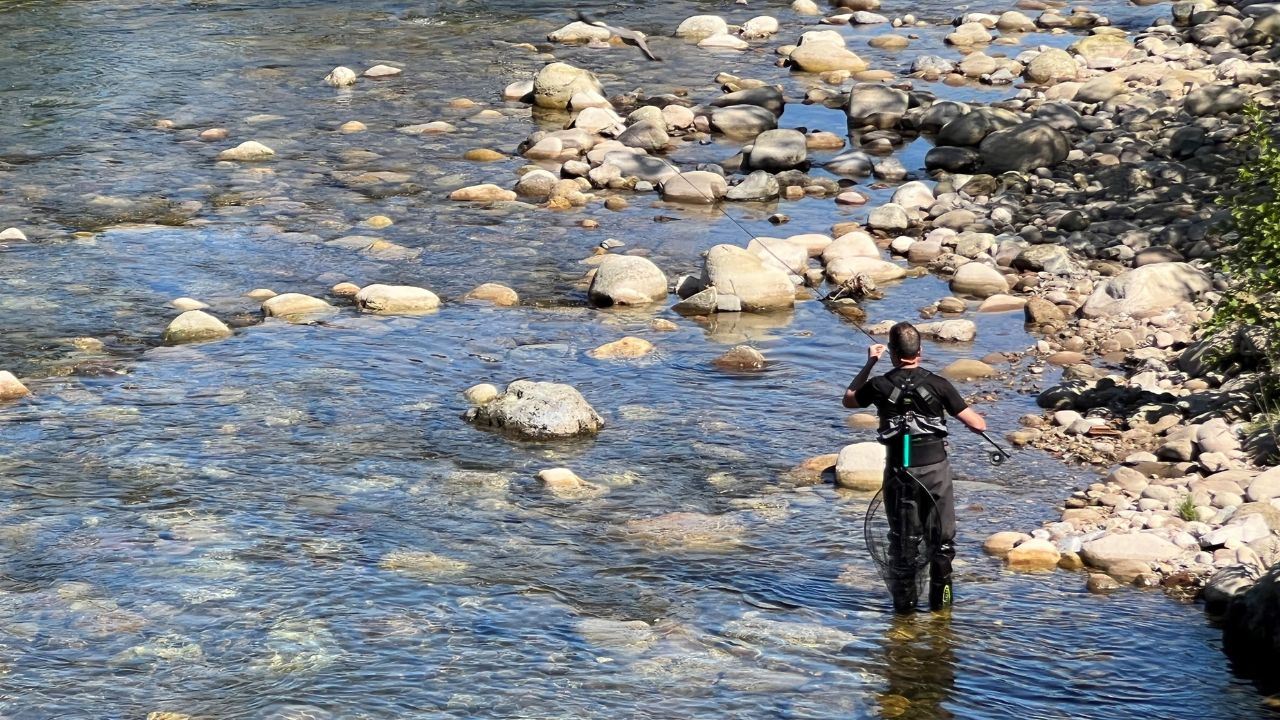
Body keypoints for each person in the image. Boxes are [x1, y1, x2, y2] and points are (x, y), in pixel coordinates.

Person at [842, 321, 987, 614]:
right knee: (942, 544)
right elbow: (978, 424)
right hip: (935, 473)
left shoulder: (879, 385)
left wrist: (870, 362)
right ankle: (942, 613)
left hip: (899, 472)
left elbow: (849, 400)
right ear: (920, 351)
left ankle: (904, 615)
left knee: (903, 543)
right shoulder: (939, 384)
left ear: (893, 353)